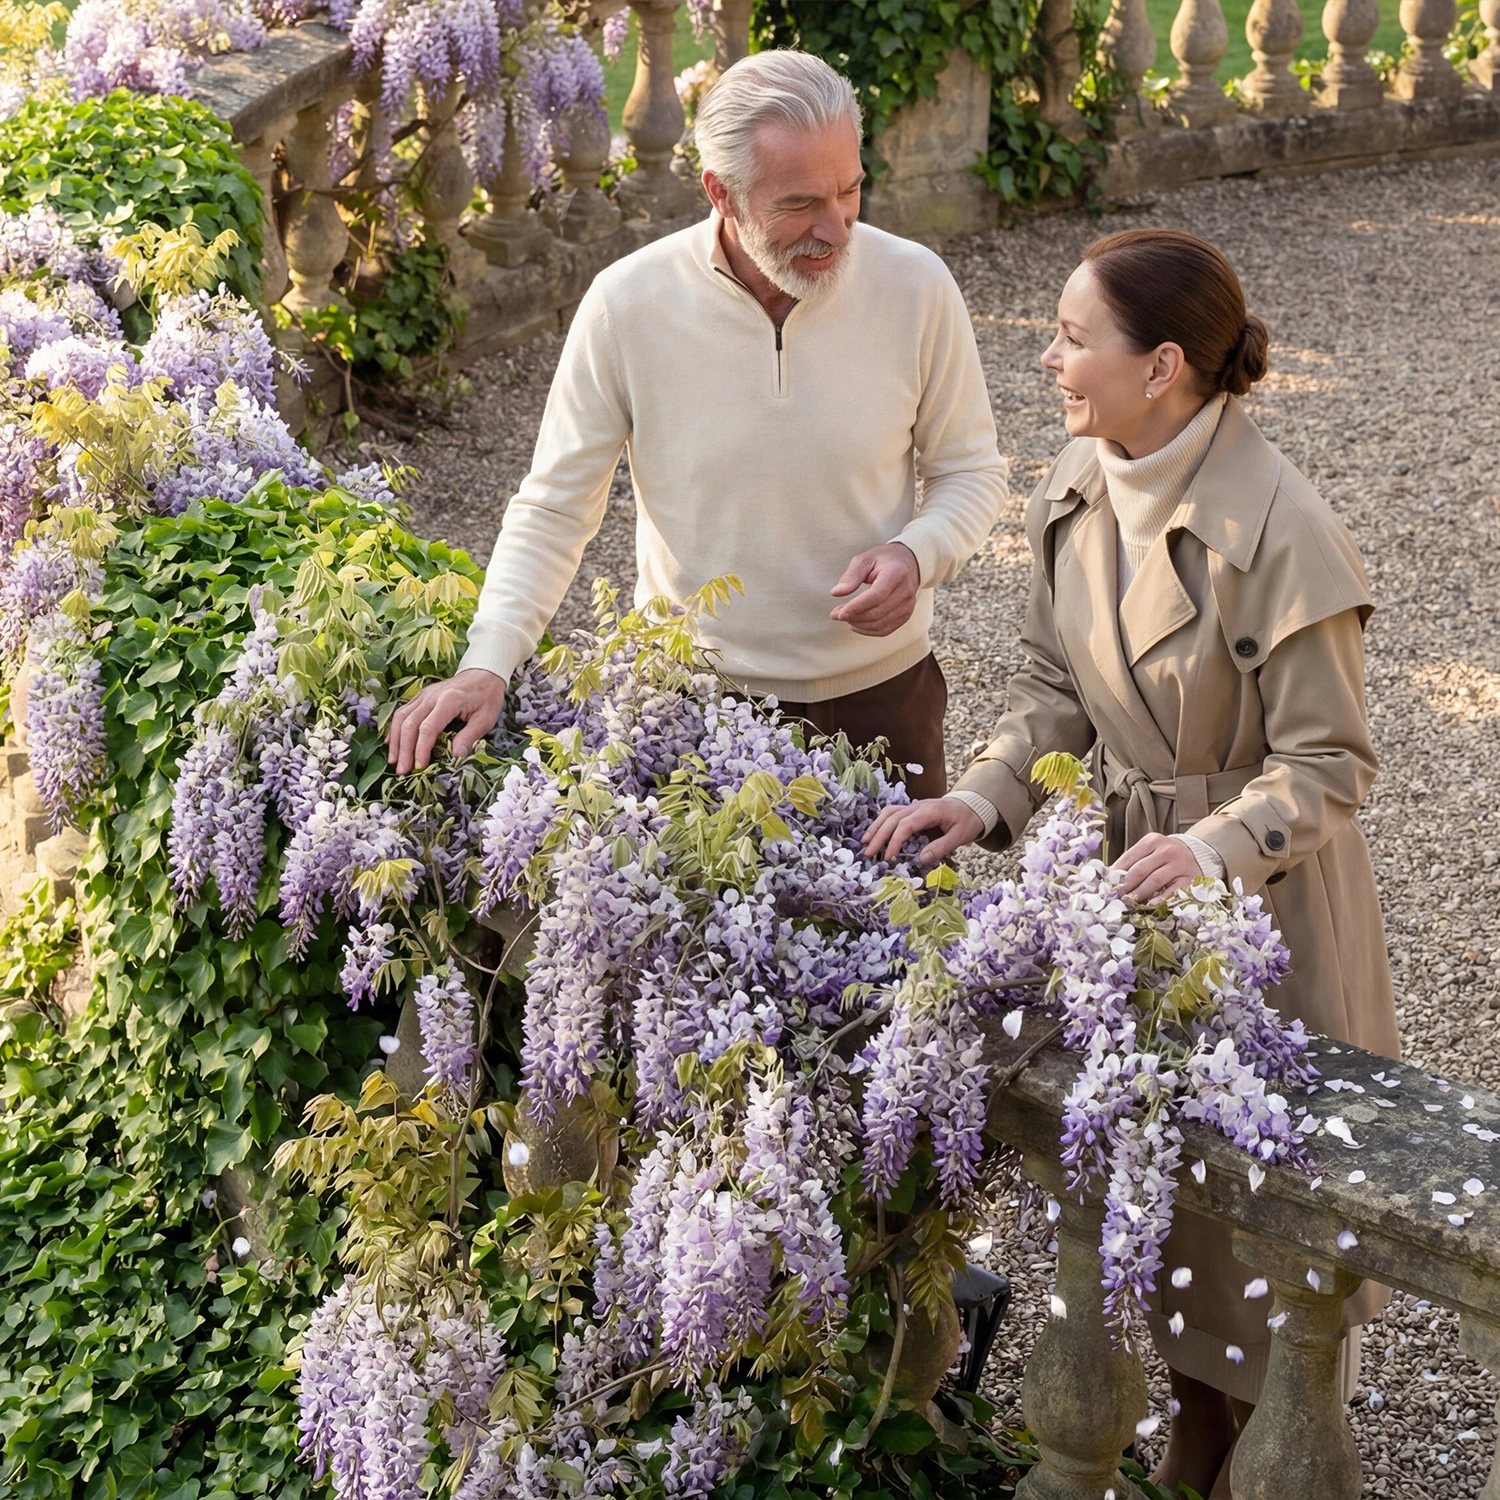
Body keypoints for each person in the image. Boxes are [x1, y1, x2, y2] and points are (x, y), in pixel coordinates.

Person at [863, 228, 1400, 1498]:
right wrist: (985, 800)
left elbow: (1332, 766)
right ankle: (1191, 1429)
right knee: (1150, 1187)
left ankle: (1243, 1443)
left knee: (1256, 1197)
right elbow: (1058, 688)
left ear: (1163, 365)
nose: (1049, 358)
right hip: (1123, 897)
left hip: (1262, 912)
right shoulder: (1080, 476)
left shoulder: (1282, 532)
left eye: (1070, 337)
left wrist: (1211, 849)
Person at [386, 49, 1008, 795]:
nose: (836, 227)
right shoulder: (627, 304)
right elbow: (554, 508)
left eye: (850, 189)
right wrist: (485, 663)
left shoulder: (917, 286)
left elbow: (971, 472)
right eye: (799, 204)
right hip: (689, 713)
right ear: (721, 192)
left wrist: (918, 553)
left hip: (886, 703)